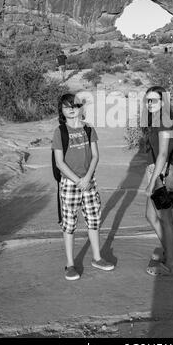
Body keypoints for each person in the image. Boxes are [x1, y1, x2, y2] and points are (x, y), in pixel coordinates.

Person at [52, 93, 115, 280]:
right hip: (70, 183)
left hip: (89, 181)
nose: (71, 109)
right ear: (61, 111)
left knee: (93, 220)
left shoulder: (88, 129)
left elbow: (95, 156)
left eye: (74, 105)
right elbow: (59, 162)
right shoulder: (60, 132)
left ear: (80, 108)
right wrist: (77, 180)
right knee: (69, 223)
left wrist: (87, 178)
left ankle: (97, 258)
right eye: (66, 106)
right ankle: (70, 264)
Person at [141, 85, 173, 276]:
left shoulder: (164, 120)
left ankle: (171, 264)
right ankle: (169, 252)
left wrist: (152, 182)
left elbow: (163, 153)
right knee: (150, 215)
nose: (149, 103)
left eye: (154, 100)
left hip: (160, 173)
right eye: (147, 100)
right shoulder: (155, 119)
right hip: (154, 171)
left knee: (166, 220)